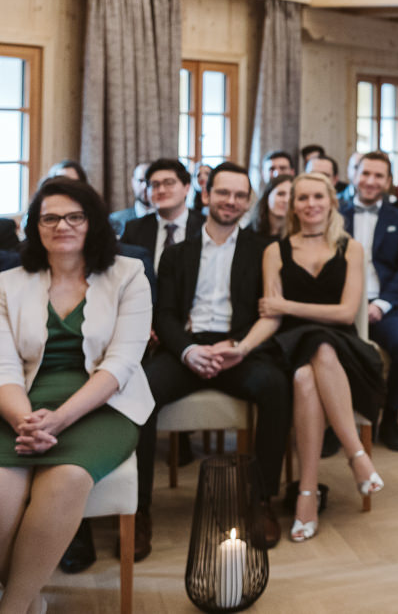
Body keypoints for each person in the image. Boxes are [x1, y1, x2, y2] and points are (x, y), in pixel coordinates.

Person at [0, 178, 152, 614]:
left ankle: (12, 609)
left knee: (67, 476)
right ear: (34, 226)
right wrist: (23, 420)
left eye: (74, 216)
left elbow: (121, 365)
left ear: (92, 224)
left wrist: (60, 420)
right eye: (49, 217)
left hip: (103, 404)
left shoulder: (129, 275)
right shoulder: (9, 283)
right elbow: (1, 367)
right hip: (23, 402)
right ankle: (33, 602)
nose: (61, 225)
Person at [136, 162, 288, 556]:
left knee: (275, 387)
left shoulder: (263, 249)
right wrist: (188, 350)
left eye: (240, 195)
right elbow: (165, 314)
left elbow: (269, 312)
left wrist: (240, 348)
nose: (231, 201)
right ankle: (138, 511)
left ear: (248, 201)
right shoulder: (176, 254)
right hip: (189, 347)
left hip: (238, 348)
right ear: (205, 195)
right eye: (223, 192)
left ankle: (261, 501)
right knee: (141, 392)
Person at [261, 172, 385, 542]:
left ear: (332, 201)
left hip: (344, 349)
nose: (311, 204)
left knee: (319, 354)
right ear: (293, 206)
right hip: (290, 346)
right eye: (302, 198)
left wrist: (287, 304)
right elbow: (272, 315)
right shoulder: (275, 250)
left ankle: (307, 493)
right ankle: (356, 456)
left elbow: (347, 314)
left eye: (319, 196)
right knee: (304, 371)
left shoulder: (351, 247)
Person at [340, 153, 398, 453]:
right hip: (343, 305)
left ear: (388, 182)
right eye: (366, 174)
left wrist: (382, 304)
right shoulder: (335, 214)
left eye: (379, 176)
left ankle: (390, 417)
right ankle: (338, 423)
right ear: (355, 175)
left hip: (386, 304)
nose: (371, 181)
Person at [120, 158, 205, 277]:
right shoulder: (134, 229)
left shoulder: (204, 226)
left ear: (187, 187)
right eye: (155, 185)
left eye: (169, 183)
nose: (161, 190)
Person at [107, 161, 152, 235]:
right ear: (133, 182)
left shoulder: (167, 220)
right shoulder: (116, 220)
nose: (145, 186)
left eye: (149, 181)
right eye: (141, 181)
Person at [250, 174, 293, 238]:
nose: (286, 200)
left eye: (291, 195)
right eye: (281, 194)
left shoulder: (297, 238)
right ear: (267, 197)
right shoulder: (248, 234)